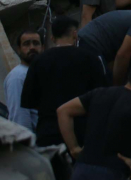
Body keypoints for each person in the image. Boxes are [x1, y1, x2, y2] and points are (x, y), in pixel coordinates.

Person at [58, 59, 131, 180]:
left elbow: (63, 111)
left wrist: (73, 148)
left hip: (82, 167)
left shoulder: (99, 93)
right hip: (113, 170)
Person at [20, 16, 105, 146]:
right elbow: (101, 97)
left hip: (49, 131)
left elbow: (29, 100)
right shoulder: (90, 58)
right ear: (75, 34)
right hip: (82, 131)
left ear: (52, 38)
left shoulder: (39, 61)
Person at [4, 30, 41, 129]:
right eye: (26, 44)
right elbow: (20, 117)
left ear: (43, 47)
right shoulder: (18, 76)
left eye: (36, 43)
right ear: (19, 49)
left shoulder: (40, 72)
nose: (32, 47)